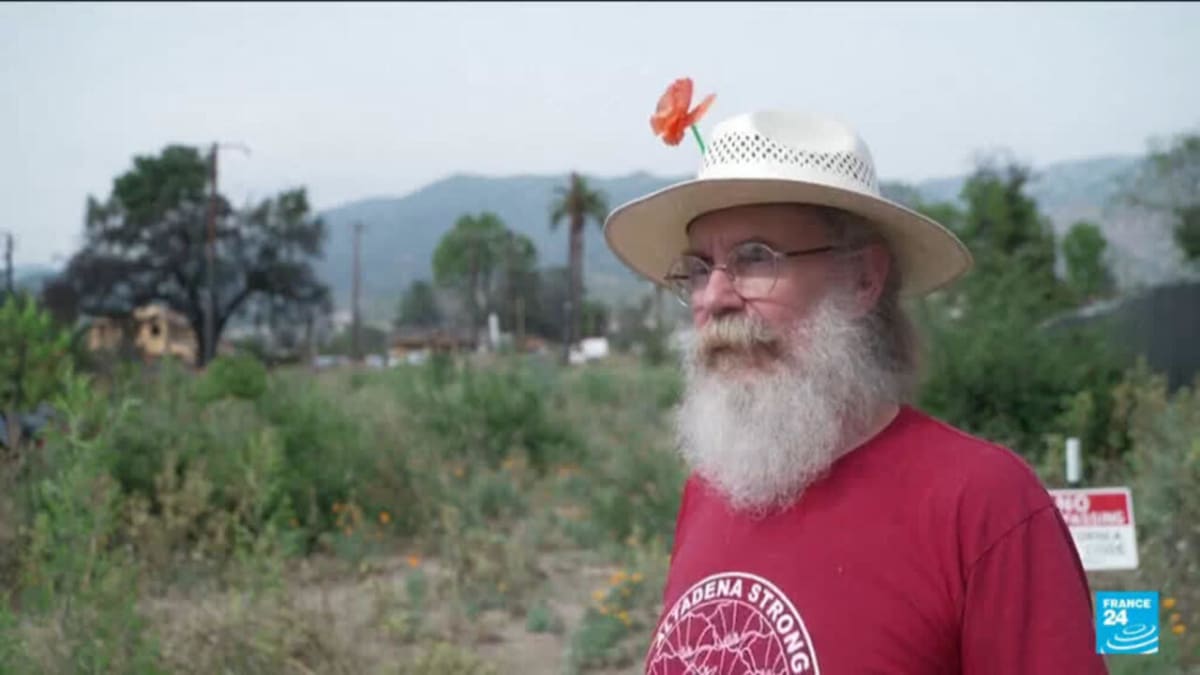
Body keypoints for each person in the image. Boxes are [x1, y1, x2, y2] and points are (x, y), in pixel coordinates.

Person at [602, 110, 1108, 674]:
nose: (714, 297)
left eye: (753, 258)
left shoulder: (981, 503)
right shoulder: (712, 486)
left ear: (863, 278)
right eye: (698, 269)